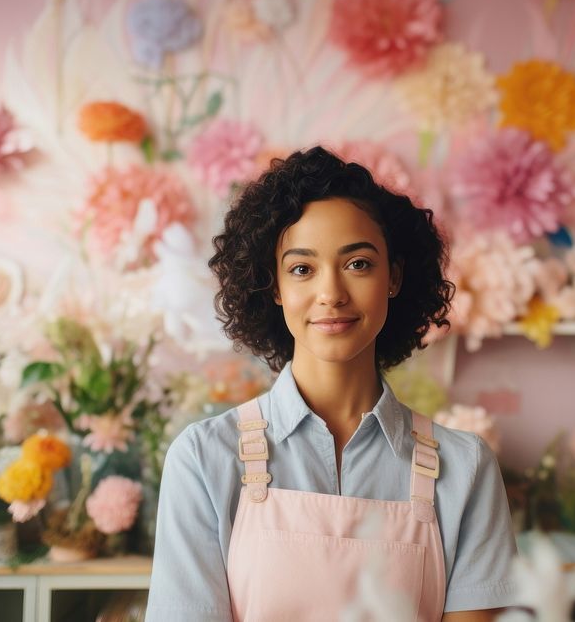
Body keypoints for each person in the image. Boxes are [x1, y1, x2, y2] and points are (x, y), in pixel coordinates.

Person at [146, 146, 517, 621]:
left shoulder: (464, 470)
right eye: (302, 269)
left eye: (358, 263)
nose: (331, 294)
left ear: (394, 277)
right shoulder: (203, 459)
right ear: (275, 287)